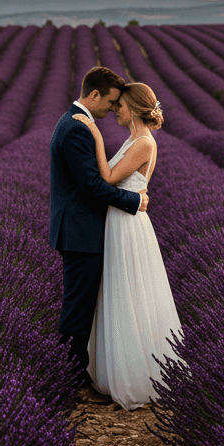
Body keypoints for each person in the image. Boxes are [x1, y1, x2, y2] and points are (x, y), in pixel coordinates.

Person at [72, 81, 182, 410]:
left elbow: (107, 178)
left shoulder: (143, 143)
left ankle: (131, 378)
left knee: (127, 294)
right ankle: (112, 373)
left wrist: (93, 135)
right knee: (120, 294)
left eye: (120, 105)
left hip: (127, 226)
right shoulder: (136, 139)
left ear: (133, 108)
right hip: (121, 220)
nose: (116, 109)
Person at [50, 66, 148, 405]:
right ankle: (68, 382)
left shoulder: (76, 123)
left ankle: (79, 377)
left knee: (85, 306)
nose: (111, 108)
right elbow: (92, 187)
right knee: (78, 309)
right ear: (93, 95)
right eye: (109, 101)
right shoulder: (77, 129)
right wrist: (134, 201)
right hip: (81, 231)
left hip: (84, 230)